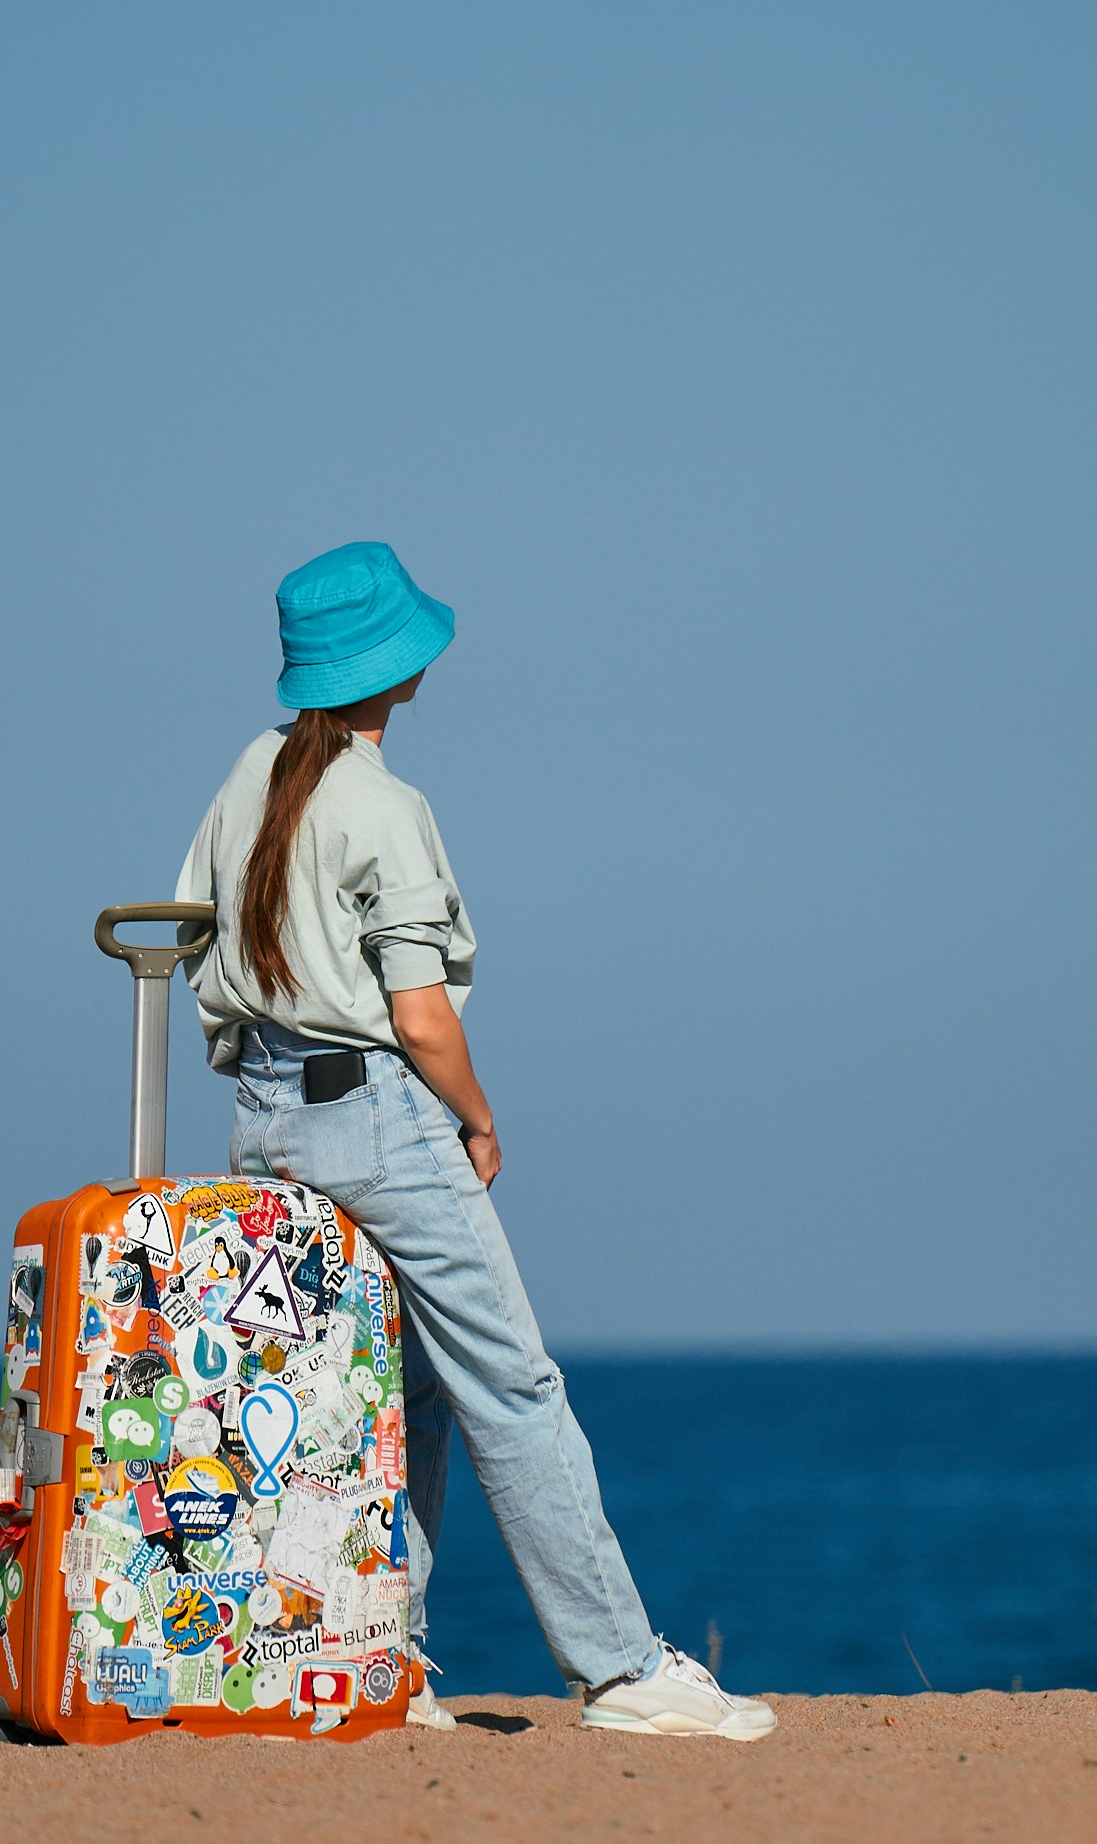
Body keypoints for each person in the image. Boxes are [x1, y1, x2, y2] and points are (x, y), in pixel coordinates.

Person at [176, 542, 773, 1741]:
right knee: (511, 1382)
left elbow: (196, 935)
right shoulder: (383, 806)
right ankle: (618, 1669)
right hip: (375, 1116)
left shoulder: (250, 771)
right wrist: (478, 1117)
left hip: (263, 1117)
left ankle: (377, 1656)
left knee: (387, 1390)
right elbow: (419, 1017)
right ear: (394, 665)